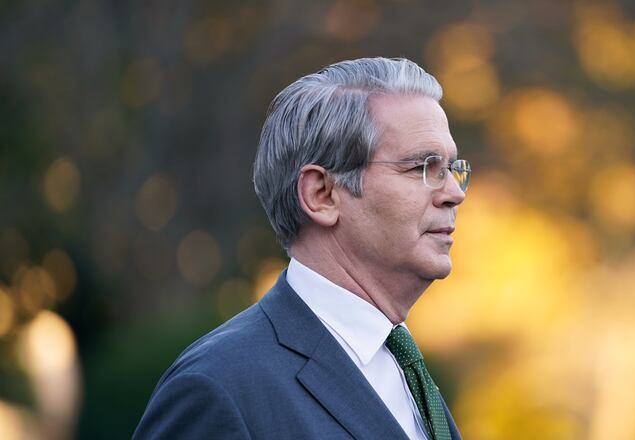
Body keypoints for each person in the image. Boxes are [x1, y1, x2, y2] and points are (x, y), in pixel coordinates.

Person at [134, 57, 470, 440]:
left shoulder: (406, 370)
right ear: (321, 194)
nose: (454, 194)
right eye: (422, 167)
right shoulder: (218, 388)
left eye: (451, 169)